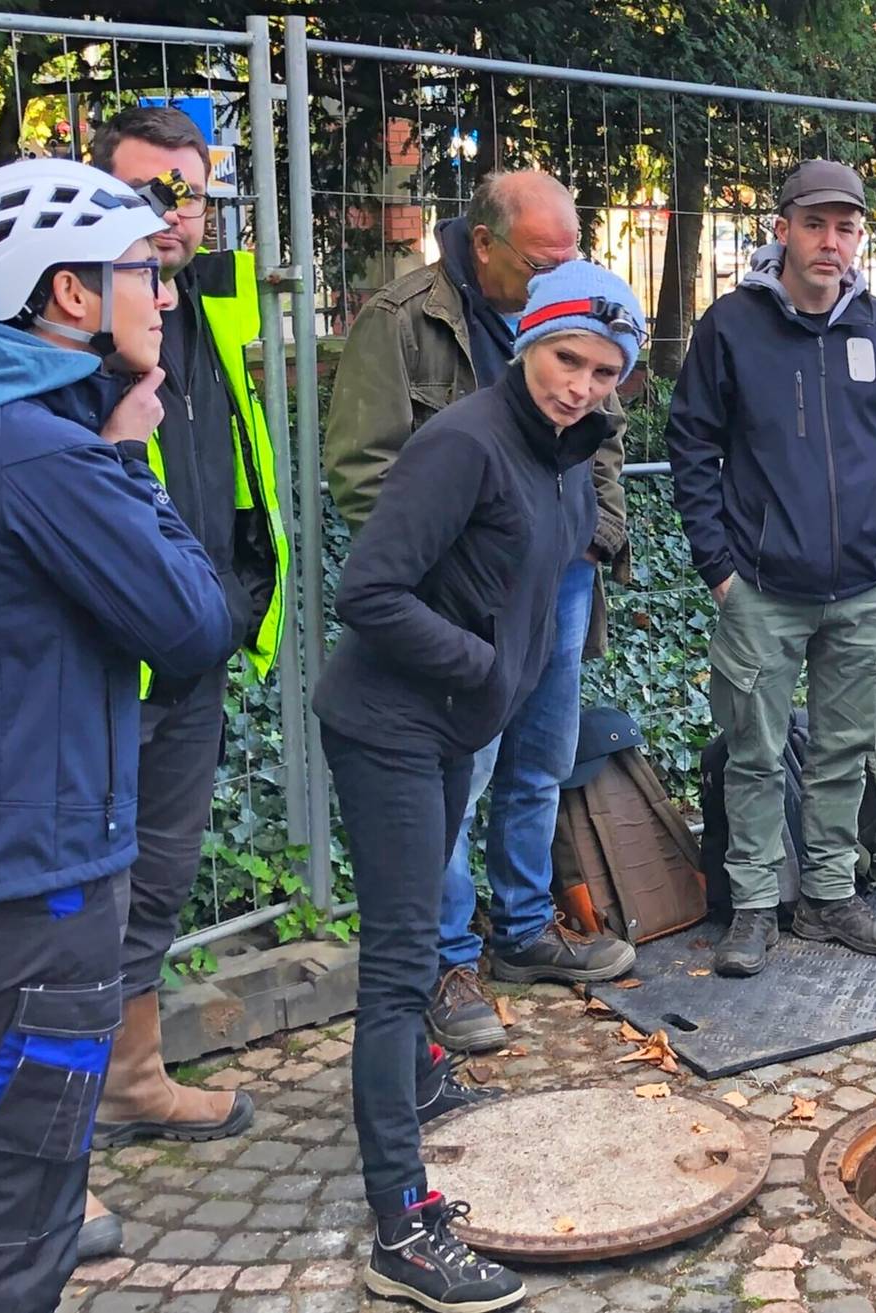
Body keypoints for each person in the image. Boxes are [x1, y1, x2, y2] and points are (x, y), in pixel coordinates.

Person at [0, 157, 235, 1312]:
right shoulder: (43, 454)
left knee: (3, 1179)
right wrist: (126, 455)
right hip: (29, 889)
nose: (168, 292)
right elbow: (193, 622)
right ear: (68, 294)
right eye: (144, 269)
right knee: (20, 1215)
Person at [314, 261, 644, 1313]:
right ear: (526, 342)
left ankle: (415, 1079)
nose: (580, 385)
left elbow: (526, 593)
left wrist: (495, 681)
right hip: (389, 724)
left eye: (604, 371)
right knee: (402, 962)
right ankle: (401, 1229)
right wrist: (484, 669)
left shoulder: (565, 455)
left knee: (414, 952)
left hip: (455, 726)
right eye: (565, 359)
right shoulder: (465, 441)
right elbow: (369, 592)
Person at [325, 169, 635, 1056]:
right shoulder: (403, 318)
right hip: (462, 598)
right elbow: (364, 467)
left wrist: (593, 535)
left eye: (568, 259)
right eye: (540, 263)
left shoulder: (584, 319)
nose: (556, 277)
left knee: (540, 760)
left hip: (560, 578)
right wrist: (463, 559)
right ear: (486, 243)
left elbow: (602, 439)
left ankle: (525, 928)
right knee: (455, 778)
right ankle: (448, 958)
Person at [70, 106, 289, 1252]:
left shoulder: (204, 305)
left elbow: (234, 460)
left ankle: (133, 1076)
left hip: (191, 653)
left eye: (189, 192)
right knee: (69, 910)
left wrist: (239, 601)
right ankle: (43, 1155)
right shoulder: (60, 337)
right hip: (100, 670)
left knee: (154, 883)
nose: (172, 214)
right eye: (146, 191)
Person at [668, 159, 876, 978]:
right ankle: (753, 907)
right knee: (753, 753)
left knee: (845, 751)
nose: (830, 242)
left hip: (865, 587)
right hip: (761, 589)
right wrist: (719, 567)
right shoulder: (732, 327)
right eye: (814, 224)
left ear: (860, 238)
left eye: (846, 228)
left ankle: (828, 895)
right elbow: (691, 446)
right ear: (781, 229)